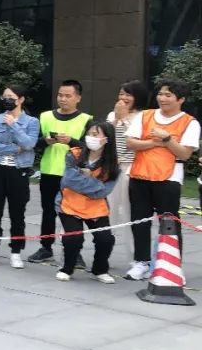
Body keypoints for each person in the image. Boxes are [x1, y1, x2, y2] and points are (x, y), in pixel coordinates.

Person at [124, 79, 200, 281]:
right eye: (160, 94)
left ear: (181, 99)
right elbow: (130, 143)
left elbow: (184, 153)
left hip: (169, 178)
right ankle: (141, 262)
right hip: (139, 174)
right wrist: (155, 142)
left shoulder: (190, 122)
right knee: (139, 221)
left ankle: (171, 265)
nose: (162, 98)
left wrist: (167, 139)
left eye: (168, 95)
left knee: (169, 223)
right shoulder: (145, 115)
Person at [29, 80, 92, 265]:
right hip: (49, 171)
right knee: (48, 212)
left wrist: (71, 141)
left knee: (73, 214)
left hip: (73, 174)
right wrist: (46, 141)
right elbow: (33, 143)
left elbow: (89, 147)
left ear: (78, 98)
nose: (63, 99)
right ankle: (46, 248)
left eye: (68, 96)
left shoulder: (86, 119)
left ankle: (74, 251)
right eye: (60, 95)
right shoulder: (45, 116)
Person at [0, 85, 40, 268]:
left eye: (11, 97)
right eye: (4, 97)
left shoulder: (31, 122)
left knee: (17, 213)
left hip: (18, 171)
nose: (7, 100)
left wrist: (13, 125)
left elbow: (29, 144)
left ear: (20, 99)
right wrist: (15, 149)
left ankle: (16, 252)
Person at [56, 122, 119, 284]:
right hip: (69, 203)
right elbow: (68, 180)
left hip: (96, 206)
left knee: (105, 239)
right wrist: (94, 183)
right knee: (74, 238)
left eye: (95, 134)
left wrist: (86, 178)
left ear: (106, 139)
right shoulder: (74, 154)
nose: (91, 137)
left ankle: (100, 270)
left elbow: (104, 191)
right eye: (89, 134)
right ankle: (66, 269)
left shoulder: (113, 164)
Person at [106, 80, 147, 240]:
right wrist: (117, 119)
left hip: (132, 167)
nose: (123, 98)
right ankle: (105, 245)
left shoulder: (144, 116)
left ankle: (134, 251)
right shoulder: (112, 115)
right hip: (113, 166)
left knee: (130, 209)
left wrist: (124, 119)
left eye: (128, 94)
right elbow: (106, 136)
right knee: (108, 208)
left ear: (138, 97)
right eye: (121, 94)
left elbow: (137, 140)